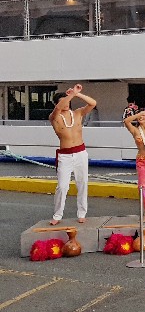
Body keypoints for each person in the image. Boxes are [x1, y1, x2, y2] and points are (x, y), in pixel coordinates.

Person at [48, 84, 96, 225]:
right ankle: (57, 215)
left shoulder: (77, 113)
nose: (67, 103)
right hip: (65, 155)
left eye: (69, 101)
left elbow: (93, 103)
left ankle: (82, 213)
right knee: (62, 186)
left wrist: (77, 94)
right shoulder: (54, 117)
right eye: (64, 101)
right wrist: (71, 94)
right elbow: (58, 108)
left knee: (82, 183)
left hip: (80, 153)